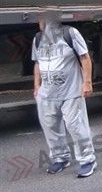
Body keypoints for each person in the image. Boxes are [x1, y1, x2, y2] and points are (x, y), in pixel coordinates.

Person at [32, 10, 97, 177]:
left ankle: (87, 159)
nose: (41, 21)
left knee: (76, 126)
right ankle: (61, 158)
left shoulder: (70, 33)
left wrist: (87, 82)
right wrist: (37, 86)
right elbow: (38, 63)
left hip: (71, 91)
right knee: (51, 127)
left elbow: (84, 57)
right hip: (47, 94)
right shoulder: (38, 39)